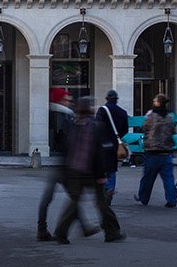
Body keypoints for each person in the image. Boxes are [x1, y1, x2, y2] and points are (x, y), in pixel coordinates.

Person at [46, 97, 125, 244]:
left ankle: (61, 233)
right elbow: (98, 153)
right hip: (91, 172)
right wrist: (101, 174)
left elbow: (66, 150)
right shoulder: (96, 126)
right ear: (90, 109)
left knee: (73, 203)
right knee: (101, 203)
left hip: (74, 170)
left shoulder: (72, 125)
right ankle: (112, 232)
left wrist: (65, 170)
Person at [135, 93, 177, 207]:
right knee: (168, 178)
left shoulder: (151, 116)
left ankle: (144, 198)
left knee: (147, 178)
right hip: (166, 152)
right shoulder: (169, 117)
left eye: (155, 101)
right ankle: (172, 199)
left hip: (152, 152)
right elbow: (173, 131)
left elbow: (144, 129)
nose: (153, 102)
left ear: (158, 103)